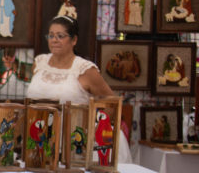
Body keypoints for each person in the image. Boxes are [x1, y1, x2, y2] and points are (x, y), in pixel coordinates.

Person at [26, 15, 132, 162]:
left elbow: (111, 102)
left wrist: (95, 127)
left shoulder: (85, 70)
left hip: (74, 145)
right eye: (51, 35)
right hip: (40, 142)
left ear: (74, 40)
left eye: (60, 36)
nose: (54, 40)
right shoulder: (39, 63)